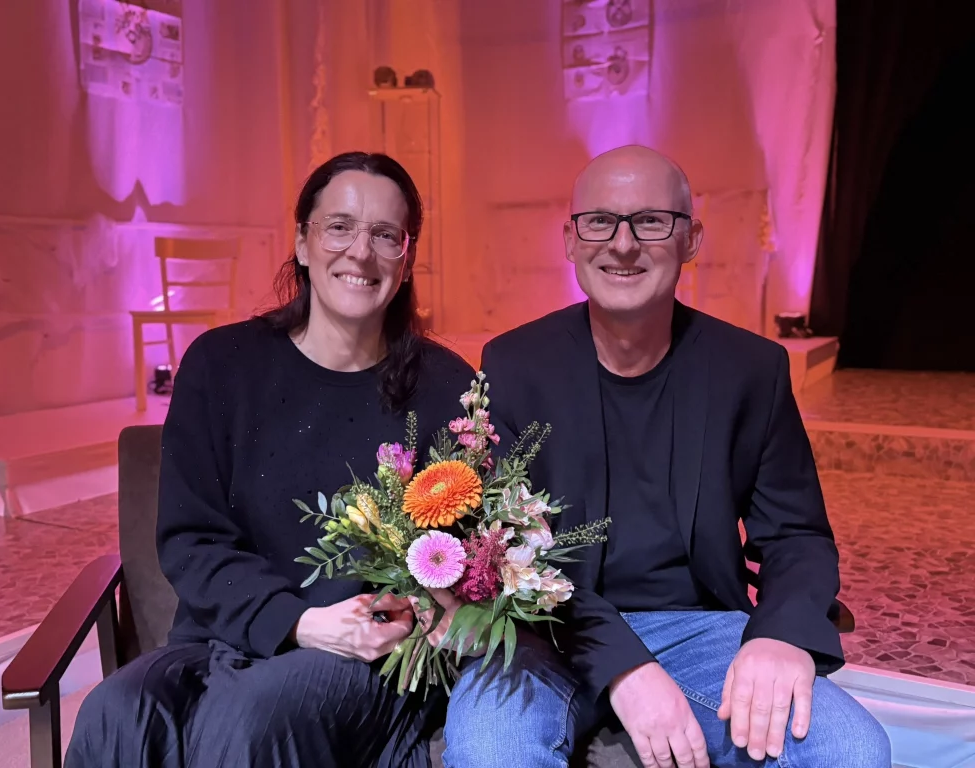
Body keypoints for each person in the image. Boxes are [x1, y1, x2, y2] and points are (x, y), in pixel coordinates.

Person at [434, 146, 891, 768]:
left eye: (650, 221)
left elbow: (796, 536)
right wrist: (625, 667)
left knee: (852, 751)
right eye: (600, 221)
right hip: (549, 629)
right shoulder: (516, 365)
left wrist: (782, 634)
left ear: (691, 239)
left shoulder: (749, 370)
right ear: (570, 240)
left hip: (701, 629)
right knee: (491, 749)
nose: (623, 244)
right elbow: (511, 548)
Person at [66, 151, 475, 768]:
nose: (360, 252)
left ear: (406, 257)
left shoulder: (447, 388)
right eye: (339, 227)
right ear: (303, 243)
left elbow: (462, 555)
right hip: (224, 636)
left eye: (385, 235)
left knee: (254, 720)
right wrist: (295, 621)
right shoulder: (221, 365)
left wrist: (412, 614)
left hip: (368, 655)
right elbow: (191, 539)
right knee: (116, 709)